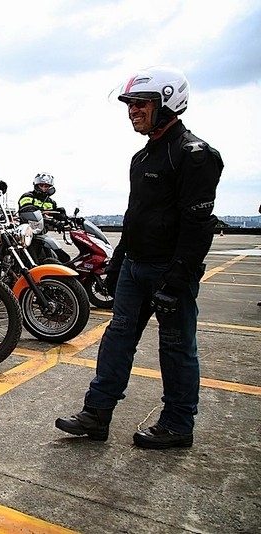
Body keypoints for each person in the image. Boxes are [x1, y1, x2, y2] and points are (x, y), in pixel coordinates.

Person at [55, 66, 223, 449]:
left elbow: (198, 226)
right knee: (117, 339)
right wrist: (117, 262)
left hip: (169, 270)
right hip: (135, 266)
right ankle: (96, 414)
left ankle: (178, 424)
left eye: (141, 104)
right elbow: (134, 216)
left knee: (177, 346)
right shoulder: (143, 156)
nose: (132, 111)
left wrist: (178, 279)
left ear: (167, 103)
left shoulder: (195, 155)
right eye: (129, 104)